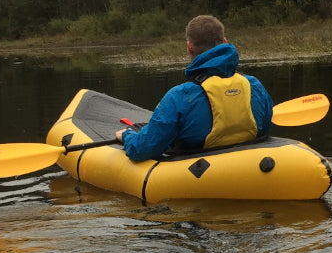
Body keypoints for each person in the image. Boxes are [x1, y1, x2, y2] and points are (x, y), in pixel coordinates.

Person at [116, 15, 274, 161]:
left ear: (189, 47)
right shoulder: (254, 85)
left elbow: (143, 149)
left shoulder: (180, 96)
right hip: (249, 167)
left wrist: (127, 136)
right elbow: (265, 129)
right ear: (225, 42)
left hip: (200, 177)